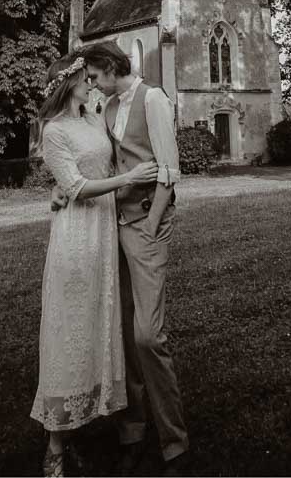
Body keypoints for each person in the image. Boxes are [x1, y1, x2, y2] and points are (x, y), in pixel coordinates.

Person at [31, 52, 158, 477]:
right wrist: (128, 180)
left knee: (101, 323)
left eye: (92, 78)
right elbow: (76, 185)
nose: (93, 84)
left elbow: (104, 157)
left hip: (106, 231)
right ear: (68, 84)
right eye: (86, 79)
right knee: (70, 326)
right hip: (76, 235)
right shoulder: (53, 131)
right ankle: (54, 444)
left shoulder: (94, 115)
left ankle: (104, 421)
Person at [81, 41, 190, 476]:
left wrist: (150, 224)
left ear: (110, 68)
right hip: (113, 228)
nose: (91, 84)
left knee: (148, 336)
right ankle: (132, 432)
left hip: (146, 224)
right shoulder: (106, 108)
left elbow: (169, 171)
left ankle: (176, 445)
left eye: (93, 76)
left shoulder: (154, 99)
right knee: (122, 333)